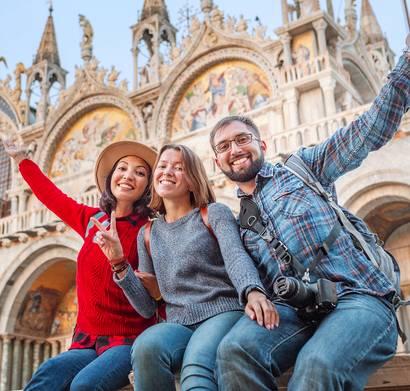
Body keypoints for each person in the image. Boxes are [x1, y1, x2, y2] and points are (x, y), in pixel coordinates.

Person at [211, 0, 410, 391]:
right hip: (297, 314)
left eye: (242, 139)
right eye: (224, 146)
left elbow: (369, 130)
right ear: (217, 161)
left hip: (360, 299)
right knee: (234, 352)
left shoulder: (304, 169)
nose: (235, 150)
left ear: (261, 143)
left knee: (317, 365)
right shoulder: (238, 225)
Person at [91, 144, 278, 391]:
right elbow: (147, 308)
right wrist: (118, 262)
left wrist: (252, 290)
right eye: (162, 166)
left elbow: (236, 257)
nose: (167, 172)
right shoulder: (148, 232)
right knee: (146, 347)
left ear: (192, 181)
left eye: (178, 168)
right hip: (178, 324)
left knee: (196, 367)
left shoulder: (213, 213)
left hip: (222, 313)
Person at [3, 139, 160, 391]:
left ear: (148, 187)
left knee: (85, 385)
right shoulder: (91, 220)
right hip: (87, 340)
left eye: (139, 173)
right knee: (48, 374)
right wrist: (23, 161)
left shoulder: (151, 231)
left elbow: (150, 301)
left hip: (129, 341)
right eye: (122, 168)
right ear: (111, 177)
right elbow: (52, 197)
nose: (128, 176)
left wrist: (118, 260)